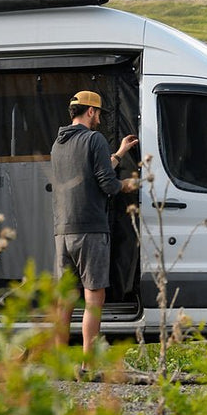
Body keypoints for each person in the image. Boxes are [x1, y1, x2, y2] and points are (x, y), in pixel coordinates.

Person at [50, 89, 138, 357]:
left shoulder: (59, 144)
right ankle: (89, 365)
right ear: (90, 111)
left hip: (63, 232)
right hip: (90, 231)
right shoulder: (94, 139)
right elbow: (108, 185)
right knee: (93, 300)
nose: (99, 118)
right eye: (98, 113)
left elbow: (91, 170)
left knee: (64, 302)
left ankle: (60, 363)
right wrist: (129, 184)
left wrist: (120, 153)